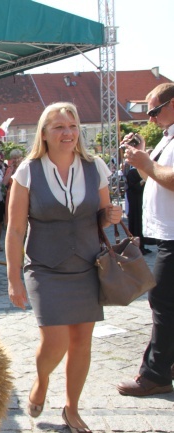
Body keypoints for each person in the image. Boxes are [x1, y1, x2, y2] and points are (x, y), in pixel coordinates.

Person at [6, 102, 122, 432]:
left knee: (82, 341)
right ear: (44, 133)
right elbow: (15, 230)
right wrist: (13, 278)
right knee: (55, 341)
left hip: (87, 264)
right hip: (45, 267)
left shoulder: (94, 165)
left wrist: (111, 215)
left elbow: (101, 213)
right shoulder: (28, 171)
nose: (67, 132)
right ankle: (42, 380)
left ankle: (72, 409)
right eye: (58, 127)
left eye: (72, 126)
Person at [117, 83, 174, 397]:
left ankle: (154, 374)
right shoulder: (168, 137)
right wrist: (143, 157)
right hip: (168, 233)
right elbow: (154, 176)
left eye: (154, 111)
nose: (151, 118)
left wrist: (146, 162)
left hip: (173, 235)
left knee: (162, 303)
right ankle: (166, 363)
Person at [124, 160, 150, 254]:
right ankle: (135, 247)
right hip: (135, 204)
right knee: (136, 224)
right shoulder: (132, 172)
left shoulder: (141, 171)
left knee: (141, 225)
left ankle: (142, 245)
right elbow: (134, 187)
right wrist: (144, 180)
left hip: (141, 202)